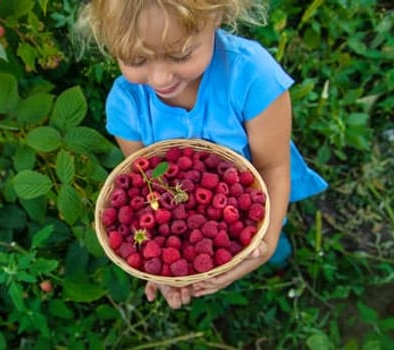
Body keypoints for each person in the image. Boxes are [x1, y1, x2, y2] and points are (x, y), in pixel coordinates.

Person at [75, 0, 330, 308]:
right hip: (186, 212)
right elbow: (144, 184)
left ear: (218, 16)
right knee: (231, 234)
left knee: (265, 232)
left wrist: (268, 237)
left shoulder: (252, 77)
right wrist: (163, 267)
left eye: (180, 54)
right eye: (136, 59)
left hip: (253, 193)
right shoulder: (126, 106)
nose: (159, 78)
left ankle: (276, 248)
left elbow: (274, 167)